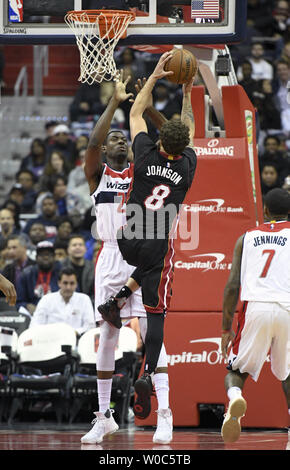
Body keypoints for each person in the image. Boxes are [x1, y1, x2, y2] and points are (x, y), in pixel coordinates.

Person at [98, 53, 197, 426]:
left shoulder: (141, 152)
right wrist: (187, 92)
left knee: (148, 264)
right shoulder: (187, 165)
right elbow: (188, 125)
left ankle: (119, 297)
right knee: (156, 313)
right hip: (156, 241)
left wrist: (155, 75)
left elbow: (137, 113)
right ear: (181, 147)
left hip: (127, 238)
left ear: (158, 144)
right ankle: (147, 371)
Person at [81, 70, 172, 446]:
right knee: (107, 336)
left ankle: (165, 414)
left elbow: (171, 137)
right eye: (113, 138)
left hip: (143, 254)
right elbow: (91, 143)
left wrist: (144, 107)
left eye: (124, 137)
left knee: (153, 334)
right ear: (106, 151)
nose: (118, 139)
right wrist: (115, 103)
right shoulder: (97, 174)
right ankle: (103, 417)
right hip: (111, 258)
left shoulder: (143, 171)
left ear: (134, 148)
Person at [220, 188, 290, 443]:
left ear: (266, 211)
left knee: (236, 369)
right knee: (288, 371)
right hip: (287, 308)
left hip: (256, 308)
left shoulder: (246, 237)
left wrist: (225, 328)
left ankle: (236, 398)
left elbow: (231, 286)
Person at [30, 267, 95, 337]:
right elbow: (34, 325)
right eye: (65, 283)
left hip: (77, 340)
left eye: (72, 283)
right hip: (50, 340)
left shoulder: (84, 299)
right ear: (59, 283)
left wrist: (74, 332)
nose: (68, 287)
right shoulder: (46, 300)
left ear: (76, 284)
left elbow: (90, 326)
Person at [16, 241, 61, 315]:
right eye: (42, 255)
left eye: (49, 255)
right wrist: (27, 306)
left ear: (54, 257)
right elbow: (18, 302)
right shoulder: (26, 274)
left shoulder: (62, 273)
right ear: (36, 257)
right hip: (33, 315)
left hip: (57, 313)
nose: (46, 257)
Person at [61, 234, 94, 301]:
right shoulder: (61, 265)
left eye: (80, 245)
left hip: (88, 303)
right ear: (68, 249)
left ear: (85, 249)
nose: (77, 247)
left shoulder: (92, 267)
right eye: (74, 245)